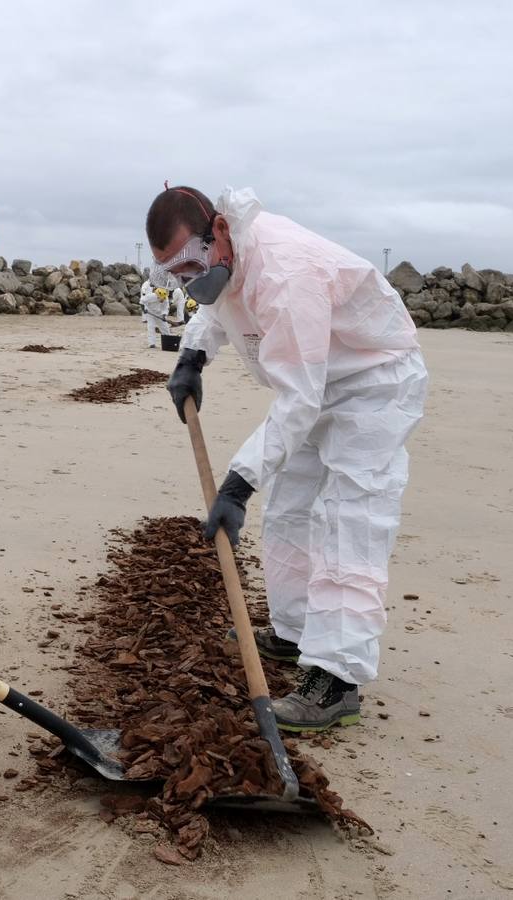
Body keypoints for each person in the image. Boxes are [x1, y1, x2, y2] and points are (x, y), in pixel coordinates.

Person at [148, 184, 427, 733]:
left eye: (190, 263)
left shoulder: (286, 273)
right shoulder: (227, 259)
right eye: (174, 274)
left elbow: (299, 397)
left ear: (219, 231)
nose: (188, 279)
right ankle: (294, 630)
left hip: (373, 381)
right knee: (290, 511)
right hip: (318, 378)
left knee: (350, 520)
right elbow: (221, 301)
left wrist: (236, 486)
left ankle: (337, 680)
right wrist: (192, 356)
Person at [139, 280, 183, 348]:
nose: (162, 300)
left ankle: (168, 340)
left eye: (163, 298)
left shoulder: (165, 299)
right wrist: (143, 309)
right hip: (150, 313)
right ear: (157, 295)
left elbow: (166, 308)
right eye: (160, 298)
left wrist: (164, 315)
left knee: (165, 327)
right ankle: (152, 343)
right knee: (151, 327)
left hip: (160, 314)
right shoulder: (151, 296)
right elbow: (142, 301)